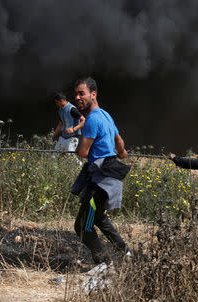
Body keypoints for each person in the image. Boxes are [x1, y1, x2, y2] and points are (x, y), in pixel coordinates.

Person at [71, 77, 131, 265]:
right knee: (98, 217)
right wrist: (121, 153)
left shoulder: (91, 120)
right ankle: (125, 252)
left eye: (82, 93)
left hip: (101, 183)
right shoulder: (105, 115)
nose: (78, 97)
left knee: (83, 226)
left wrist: (77, 147)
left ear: (93, 94)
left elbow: (83, 152)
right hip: (109, 178)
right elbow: (119, 141)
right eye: (76, 94)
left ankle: (104, 265)